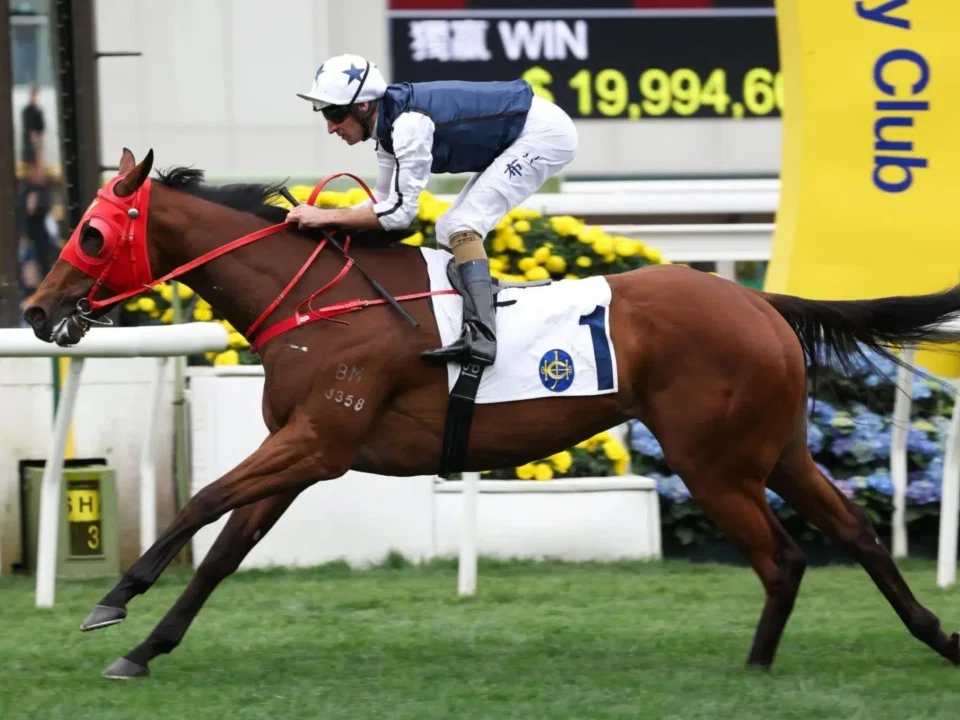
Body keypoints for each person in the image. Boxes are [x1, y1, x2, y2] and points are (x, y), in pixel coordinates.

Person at [290, 53, 578, 367]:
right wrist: (324, 215)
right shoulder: (386, 131)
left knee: (462, 225)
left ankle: (482, 336)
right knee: (449, 227)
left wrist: (327, 217)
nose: (331, 127)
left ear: (363, 106)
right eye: (325, 114)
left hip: (544, 135)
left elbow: (400, 215)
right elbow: (382, 202)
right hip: (523, 131)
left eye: (334, 113)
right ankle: (459, 327)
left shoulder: (409, 125)